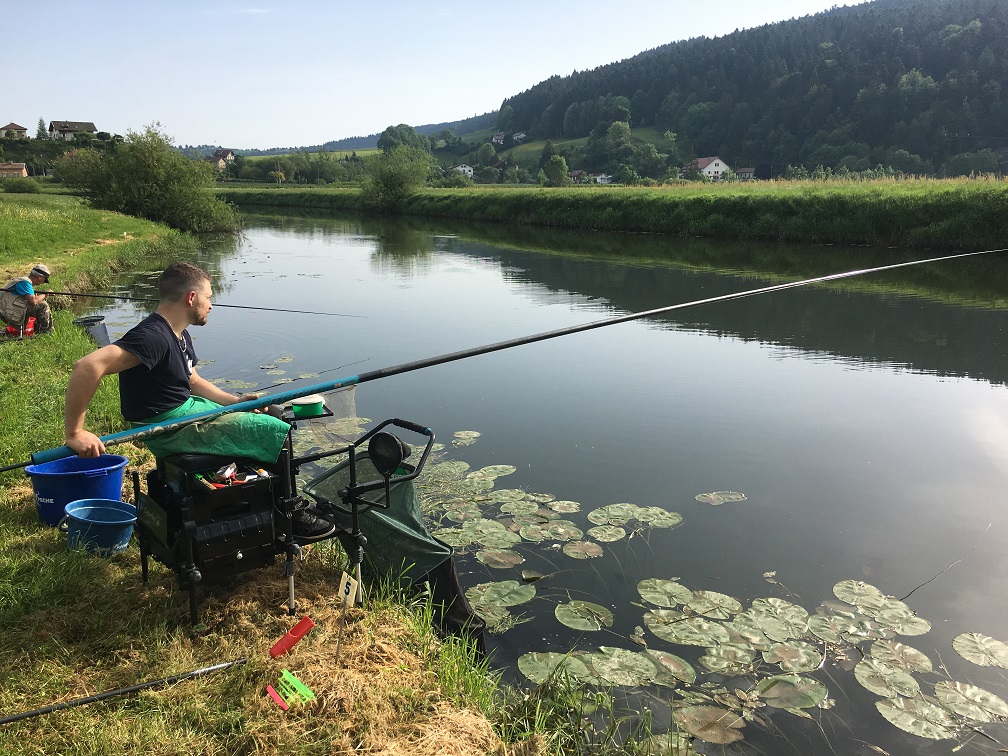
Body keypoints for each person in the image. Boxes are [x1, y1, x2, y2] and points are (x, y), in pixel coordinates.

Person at [63, 261, 335, 543]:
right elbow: (87, 366)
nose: (211, 305)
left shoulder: (178, 333)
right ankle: (287, 513)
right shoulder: (152, 336)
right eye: (208, 297)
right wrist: (75, 432)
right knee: (273, 430)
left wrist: (236, 401)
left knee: (274, 413)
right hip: (168, 427)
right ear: (191, 297)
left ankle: (264, 503)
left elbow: (192, 380)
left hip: (185, 411)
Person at [1, 263, 53, 334]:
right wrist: (46, 294)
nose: (43, 283)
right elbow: (33, 301)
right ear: (40, 277)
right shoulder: (25, 283)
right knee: (42, 305)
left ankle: (34, 330)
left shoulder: (24, 282)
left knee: (38, 302)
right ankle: (45, 332)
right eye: (44, 280)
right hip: (7, 310)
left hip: (11, 308)